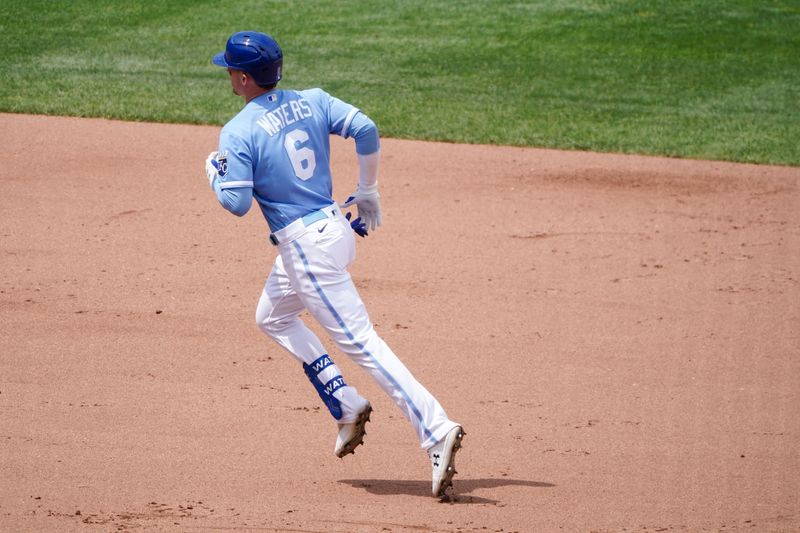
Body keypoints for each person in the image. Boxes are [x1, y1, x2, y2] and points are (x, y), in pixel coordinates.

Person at [204, 30, 464, 498]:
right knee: (272, 316)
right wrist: (367, 190)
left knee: (363, 343)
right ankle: (345, 403)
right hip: (335, 231)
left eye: (229, 69)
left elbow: (236, 204)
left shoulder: (238, 131)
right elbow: (365, 128)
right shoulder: (313, 99)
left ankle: (435, 427)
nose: (227, 74)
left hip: (307, 249)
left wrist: (213, 170)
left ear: (243, 78)